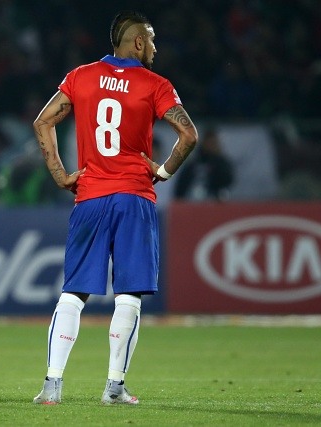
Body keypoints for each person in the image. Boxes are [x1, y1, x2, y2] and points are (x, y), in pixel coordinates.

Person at [32, 11, 198, 405]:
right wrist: (164, 170)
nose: (155, 49)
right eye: (152, 41)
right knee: (129, 296)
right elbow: (188, 135)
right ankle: (114, 387)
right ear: (138, 42)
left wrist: (59, 172)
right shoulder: (155, 84)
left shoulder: (80, 76)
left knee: (72, 294)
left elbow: (43, 122)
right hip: (134, 196)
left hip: (89, 196)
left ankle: (52, 386)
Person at [174, 128, 234, 201]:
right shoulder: (192, 165)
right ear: (203, 143)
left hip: (215, 203)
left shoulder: (223, 165)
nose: (211, 146)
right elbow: (181, 187)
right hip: (193, 203)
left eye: (213, 143)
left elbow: (228, 182)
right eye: (209, 143)